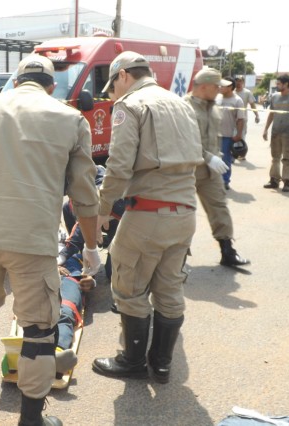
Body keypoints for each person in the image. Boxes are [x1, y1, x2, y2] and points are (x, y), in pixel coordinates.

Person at [0, 54, 101, 426]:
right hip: (32, 241)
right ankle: (30, 420)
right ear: (50, 85)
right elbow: (84, 193)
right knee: (39, 331)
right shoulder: (69, 118)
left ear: (15, 79)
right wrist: (90, 247)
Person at [91, 51, 203, 385]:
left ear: (123, 75)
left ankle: (132, 360)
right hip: (185, 212)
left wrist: (102, 211)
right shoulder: (181, 103)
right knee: (169, 289)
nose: (113, 94)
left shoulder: (131, 104)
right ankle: (163, 364)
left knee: (129, 287)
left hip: (148, 214)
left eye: (112, 86)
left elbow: (119, 165)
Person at [185, 68, 250, 267]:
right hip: (187, 171)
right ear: (204, 86)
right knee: (182, 214)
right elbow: (184, 141)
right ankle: (176, 258)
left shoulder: (214, 107)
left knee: (219, 206)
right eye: (217, 87)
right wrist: (208, 157)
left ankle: (227, 251)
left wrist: (217, 155)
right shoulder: (184, 108)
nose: (220, 91)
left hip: (210, 170)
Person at [262, 74, 289, 192]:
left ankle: (287, 182)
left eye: (278, 83)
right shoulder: (275, 96)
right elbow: (271, 113)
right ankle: (274, 180)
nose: (277, 85)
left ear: (286, 84)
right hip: (276, 131)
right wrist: (266, 129)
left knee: (287, 158)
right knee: (275, 157)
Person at [215, 77, 245, 190]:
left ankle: (225, 180)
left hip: (227, 135)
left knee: (225, 159)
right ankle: (215, 180)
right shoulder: (217, 98)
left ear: (230, 87)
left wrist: (239, 134)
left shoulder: (237, 101)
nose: (220, 87)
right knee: (213, 158)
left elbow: (240, 119)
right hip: (214, 134)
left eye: (223, 86)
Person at [234, 76, 260, 143]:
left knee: (241, 138)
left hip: (242, 120)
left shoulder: (247, 92)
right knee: (232, 138)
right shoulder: (232, 92)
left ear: (243, 82)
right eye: (237, 81)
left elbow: (252, 105)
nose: (238, 83)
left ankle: (240, 152)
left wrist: (257, 115)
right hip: (232, 120)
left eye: (240, 81)